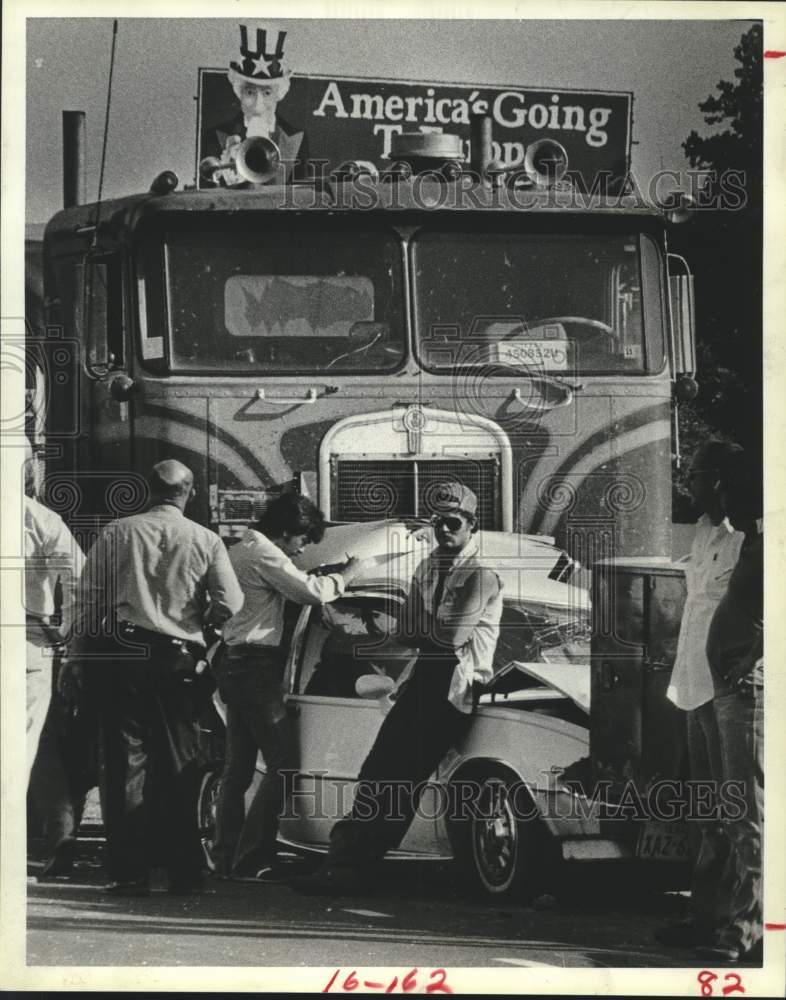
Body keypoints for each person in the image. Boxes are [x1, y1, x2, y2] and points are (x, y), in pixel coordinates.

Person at [300, 482, 503, 893]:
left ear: (471, 526)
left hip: (454, 685)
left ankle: (357, 866)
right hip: (424, 675)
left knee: (401, 773)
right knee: (377, 768)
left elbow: (451, 640)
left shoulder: (480, 575)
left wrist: (428, 629)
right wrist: (432, 629)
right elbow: (407, 633)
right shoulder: (427, 567)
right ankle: (346, 862)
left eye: (453, 522)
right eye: (438, 521)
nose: (444, 529)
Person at [62, 459, 243, 896]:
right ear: (190, 492)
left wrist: (76, 657)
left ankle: (129, 872)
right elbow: (231, 602)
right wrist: (204, 622)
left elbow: (88, 601)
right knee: (180, 763)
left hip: (122, 658)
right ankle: (183, 870)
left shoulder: (117, 532)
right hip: (178, 661)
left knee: (125, 765)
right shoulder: (207, 539)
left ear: (146, 490)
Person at [212, 493, 367, 881]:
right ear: (286, 531)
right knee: (283, 762)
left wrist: (318, 571)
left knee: (238, 768)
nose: (300, 551)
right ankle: (253, 856)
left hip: (235, 661)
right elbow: (309, 593)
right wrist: (347, 575)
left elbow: (294, 580)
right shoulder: (264, 554)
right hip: (255, 667)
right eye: (301, 541)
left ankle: (225, 854)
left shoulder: (244, 549)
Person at [655, 441, 744, 948]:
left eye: (694, 473)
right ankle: (703, 916)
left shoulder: (746, 538)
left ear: (718, 479)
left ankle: (736, 924)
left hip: (727, 688)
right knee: (707, 811)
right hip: (691, 683)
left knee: (737, 810)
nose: (686, 481)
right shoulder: (703, 530)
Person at [695, 450, 764, 964]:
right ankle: (724, 917)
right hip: (721, 687)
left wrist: (751, 659)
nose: (725, 500)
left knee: (747, 812)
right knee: (730, 810)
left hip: (746, 692)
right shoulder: (753, 544)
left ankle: (748, 927)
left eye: (733, 490)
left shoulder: (767, 545)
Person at [23, 439, 84, 786]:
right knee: (20, 749)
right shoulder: (43, 518)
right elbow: (80, 580)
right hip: (29, 643)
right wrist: (65, 630)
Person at [201, 25, 310, 186]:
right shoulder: (214, 137)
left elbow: (302, 200)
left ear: (279, 93)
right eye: (250, 92)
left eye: (267, 93)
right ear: (239, 93)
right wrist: (225, 181)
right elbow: (206, 200)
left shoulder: (298, 138)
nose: (259, 105)